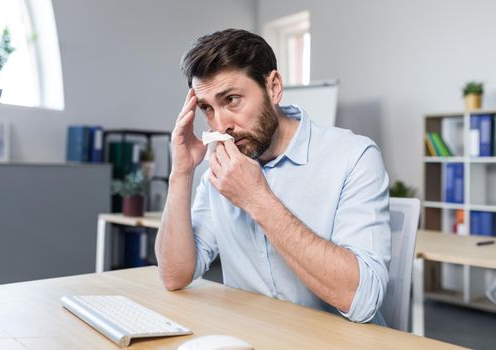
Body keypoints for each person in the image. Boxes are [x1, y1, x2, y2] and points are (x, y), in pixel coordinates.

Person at [155, 28, 391, 325]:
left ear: (274, 87)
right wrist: (182, 172)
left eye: (231, 100)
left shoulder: (354, 157)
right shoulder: (220, 171)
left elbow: (363, 299)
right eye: (207, 108)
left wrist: (256, 198)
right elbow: (174, 275)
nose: (221, 125)